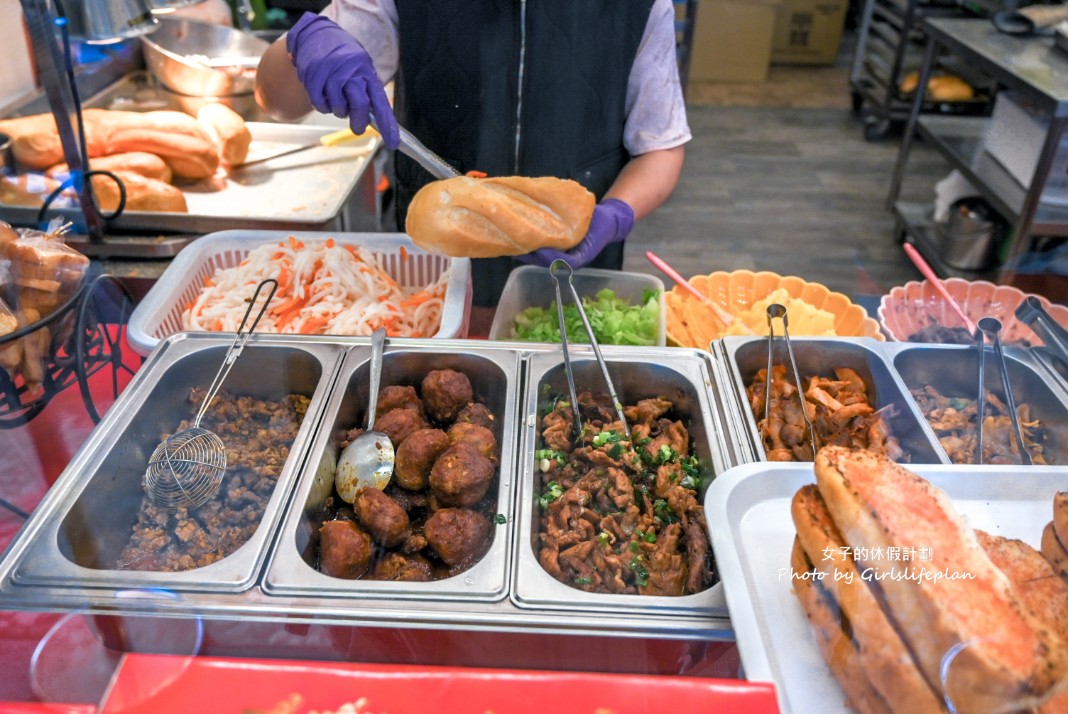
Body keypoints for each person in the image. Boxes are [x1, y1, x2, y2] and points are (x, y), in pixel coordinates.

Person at [255, 0, 689, 307]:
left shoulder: (641, 5)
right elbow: (278, 100)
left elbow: (661, 147)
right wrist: (303, 42)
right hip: (429, 282)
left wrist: (614, 215)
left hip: (574, 284)